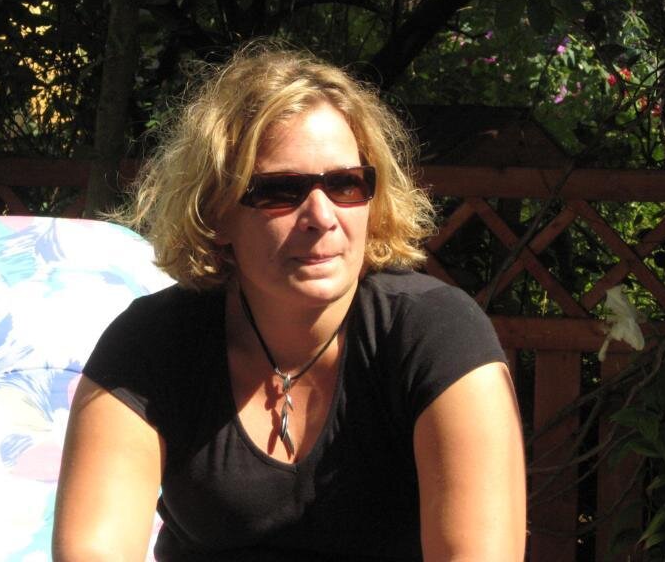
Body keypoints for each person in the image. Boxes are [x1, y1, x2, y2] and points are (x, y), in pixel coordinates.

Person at [52, 42, 526, 561]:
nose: (322, 216)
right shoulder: (154, 344)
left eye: (346, 184)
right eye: (280, 191)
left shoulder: (437, 335)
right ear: (216, 211)